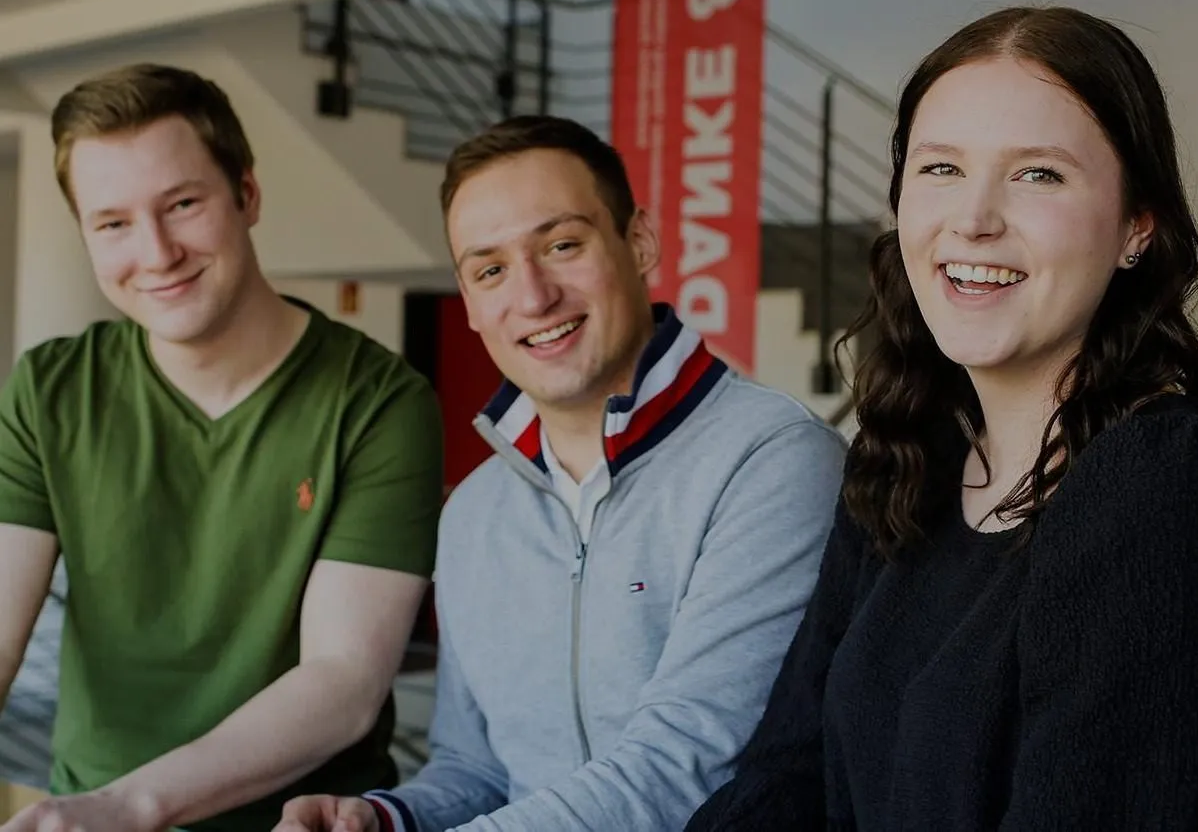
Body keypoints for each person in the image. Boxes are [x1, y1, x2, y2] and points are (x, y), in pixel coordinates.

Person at [686, 5, 1198, 832]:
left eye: (1039, 175)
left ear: (1138, 227)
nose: (974, 217)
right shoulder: (906, 463)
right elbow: (788, 777)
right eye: (941, 168)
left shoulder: (1163, 483)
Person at [275, 115, 846, 832]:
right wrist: (385, 819)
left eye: (562, 245)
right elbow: (478, 770)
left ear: (639, 243)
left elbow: (686, 768)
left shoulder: (774, 461)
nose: (534, 295)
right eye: (491, 270)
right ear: (473, 304)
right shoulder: (474, 512)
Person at [0, 63, 445, 832]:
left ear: (247, 194)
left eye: (182, 204)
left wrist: (130, 807)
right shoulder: (50, 390)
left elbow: (344, 680)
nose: (158, 251)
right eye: (113, 223)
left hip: (300, 822)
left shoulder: (379, 403)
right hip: (89, 814)